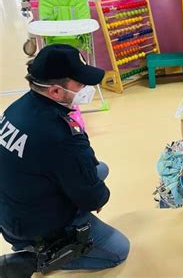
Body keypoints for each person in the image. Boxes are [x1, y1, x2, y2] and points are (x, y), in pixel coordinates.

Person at [0, 44, 129, 277]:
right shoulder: (61, 135)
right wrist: (96, 197)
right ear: (56, 92)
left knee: (100, 169)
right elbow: (93, 197)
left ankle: (30, 240)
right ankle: (37, 256)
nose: (85, 88)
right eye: (79, 84)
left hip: (11, 207)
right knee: (119, 250)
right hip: (35, 223)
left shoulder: (17, 108)